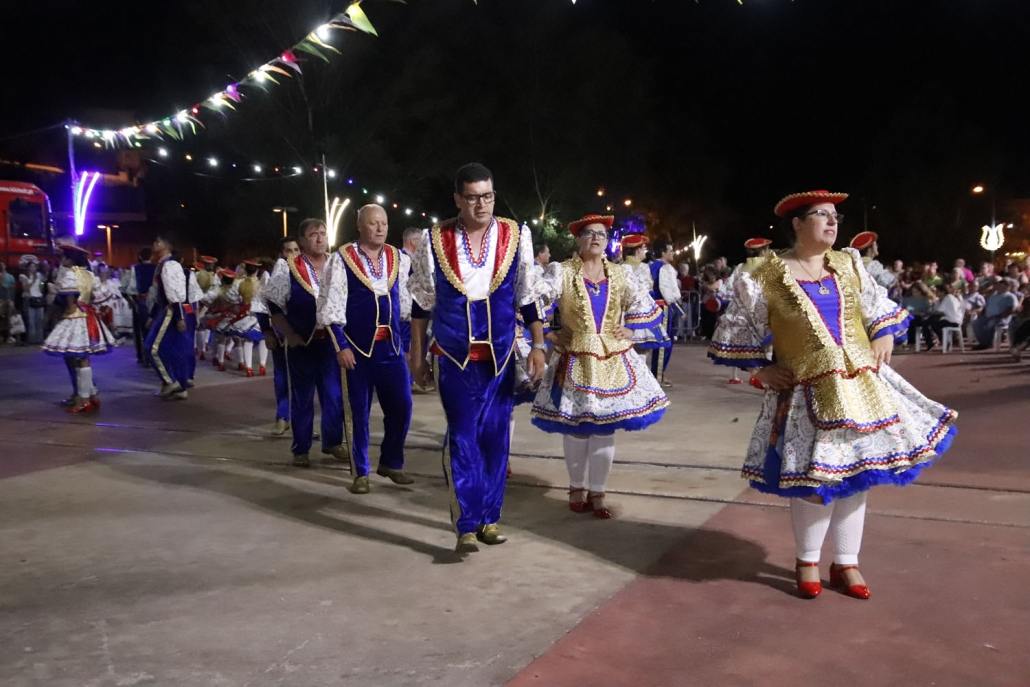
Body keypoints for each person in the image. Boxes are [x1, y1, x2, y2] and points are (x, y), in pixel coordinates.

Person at [709, 190, 957, 601]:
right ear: (797, 223)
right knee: (814, 479)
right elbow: (736, 330)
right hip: (804, 394)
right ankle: (807, 560)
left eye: (835, 215)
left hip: (862, 388)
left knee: (859, 476)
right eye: (821, 215)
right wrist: (761, 369)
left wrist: (882, 334)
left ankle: (847, 561)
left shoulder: (849, 263)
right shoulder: (762, 276)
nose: (832, 222)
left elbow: (878, 309)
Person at [408, 162, 546, 554]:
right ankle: (466, 523)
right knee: (463, 437)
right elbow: (420, 304)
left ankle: (490, 518)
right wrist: (415, 356)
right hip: (452, 354)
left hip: (500, 355)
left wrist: (537, 345)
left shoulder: (516, 235)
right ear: (457, 199)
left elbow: (528, 295)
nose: (481, 204)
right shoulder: (435, 240)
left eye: (487, 196)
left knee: (496, 438)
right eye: (472, 197)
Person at [531, 214, 669, 517]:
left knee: (605, 430)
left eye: (602, 234)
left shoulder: (621, 274)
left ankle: (598, 493)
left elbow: (643, 305)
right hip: (574, 355)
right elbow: (538, 303)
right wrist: (551, 334)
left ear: (608, 241)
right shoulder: (561, 271)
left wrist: (631, 329)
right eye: (589, 233)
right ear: (578, 239)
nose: (595, 238)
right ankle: (576, 487)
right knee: (577, 428)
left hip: (612, 357)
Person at [318, 204, 414, 493]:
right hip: (358, 349)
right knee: (358, 412)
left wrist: (407, 345)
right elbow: (330, 304)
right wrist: (341, 346)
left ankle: (391, 461)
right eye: (374, 223)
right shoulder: (342, 259)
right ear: (360, 226)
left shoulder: (398, 258)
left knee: (403, 406)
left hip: (392, 348)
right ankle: (361, 472)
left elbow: (405, 305)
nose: (381, 228)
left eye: (384, 222)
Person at [263, 219, 347, 467]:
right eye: (313, 234)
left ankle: (332, 442)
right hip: (302, 345)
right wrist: (288, 334)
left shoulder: (338, 264)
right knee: (302, 398)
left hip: (330, 344)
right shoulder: (290, 268)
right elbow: (273, 305)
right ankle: (301, 448)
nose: (320, 238)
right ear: (302, 241)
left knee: (333, 396)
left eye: (323, 233)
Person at [41, 244, 115, 412]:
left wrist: (65, 314)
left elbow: (69, 300)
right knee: (84, 358)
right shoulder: (90, 275)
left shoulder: (69, 275)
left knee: (78, 358)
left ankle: (83, 400)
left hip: (75, 318)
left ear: (69, 259)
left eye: (64, 257)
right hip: (90, 317)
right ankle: (92, 395)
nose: (62, 260)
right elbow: (100, 298)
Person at [258, 237, 300, 435]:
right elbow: (261, 304)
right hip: (281, 335)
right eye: (288, 250)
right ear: (282, 253)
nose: (292, 254)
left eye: (296, 249)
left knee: (303, 380)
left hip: (303, 336)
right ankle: (283, 417)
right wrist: (266, 330)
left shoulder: (306, 271)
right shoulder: (273, 275)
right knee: (282, 377)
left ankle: (301, 422)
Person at [144, 235, 192, 399]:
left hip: (171, 310)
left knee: (152, 348)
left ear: (167, 245)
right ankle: (177, 386)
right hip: (166, 310)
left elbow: (176, 292)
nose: (154, 244)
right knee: (172, 350)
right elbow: (161, 293)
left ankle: (171, 382)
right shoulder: (163, 264)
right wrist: (152, 315)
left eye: (157, 242)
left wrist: (179, 316)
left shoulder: (170, 264)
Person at [621, 234, 670, 352]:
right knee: (642, 353)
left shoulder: (619, 267)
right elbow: (648, 286)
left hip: (625, 311)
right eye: (644, 248)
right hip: (644, 312)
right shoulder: (644, 267)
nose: (645, 251)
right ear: (637, 250)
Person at [647, 240, 681, 386]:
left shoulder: (650, 266)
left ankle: (657, 374)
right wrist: (675, 299)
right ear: (663, 252)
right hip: (664, 307)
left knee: (658, 342)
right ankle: (658, 376)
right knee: (664, 343)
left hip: (654, 306)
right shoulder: (665, 268)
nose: (672, 253)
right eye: (670, 250)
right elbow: (669, 293)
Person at [228, 260, 268, 377]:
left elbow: (233, 299)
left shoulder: (239, 283)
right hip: (259, 314)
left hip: (245, 314)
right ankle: (262, 366)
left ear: (246, 270)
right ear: (257, 270)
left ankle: (249, 368)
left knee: (248, 340)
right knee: (263, 339)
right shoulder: (261, 283)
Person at [124, 248, 157, 365]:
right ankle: (154, 355)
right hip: (155, 302)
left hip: (141, 302)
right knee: (154, 328)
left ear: (140, 257)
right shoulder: (157, 268)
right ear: (151, 257)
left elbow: (128, 288)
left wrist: (131, 301)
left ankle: (142, 356)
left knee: (140, 330)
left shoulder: (135, 268)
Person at [972, 277, 1019, 349]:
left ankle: (987, 343)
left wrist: (999, 316)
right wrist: (982, 314)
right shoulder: (993, 296)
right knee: (976, 323)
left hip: (1001, 318)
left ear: (1008, 287)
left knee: (990, 324)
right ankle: (984, 343)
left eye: (1004, 285)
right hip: (988, 317)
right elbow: (986, 307)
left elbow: (1012, 309)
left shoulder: (1010, 296)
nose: (1000, 286)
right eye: (1000, 285)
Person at [193, 255, 219, 358]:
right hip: (200, 303)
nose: (210, 266)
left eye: (211, 264)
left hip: (208, 303)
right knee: (199, 325)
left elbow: (217, 290)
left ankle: (202, 347)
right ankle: (201, 348)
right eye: (209, 264)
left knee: (205, 326)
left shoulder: (215, 277)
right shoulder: (197, 275)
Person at [18, 256, 46, 344]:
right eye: (31, 266)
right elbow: (26, 288)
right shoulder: (23, 276)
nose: (33, 268)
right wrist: (33, 279)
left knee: (39, 320)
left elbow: (41, 286)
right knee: (31, 320)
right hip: (30, 299)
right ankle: (32, 340)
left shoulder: (39, 275)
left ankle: (39, 339)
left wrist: (41, 283)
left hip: (39, 298)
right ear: (28, 267)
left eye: (34, 266)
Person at [0, 262, 15, 344]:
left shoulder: (10, 277)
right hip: (0, 300)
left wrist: (12, 300)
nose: (2, 266)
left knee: (9, 319)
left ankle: (9, 336)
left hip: (9, 300)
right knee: (1, 318)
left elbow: (13, 289)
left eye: (3, 265)